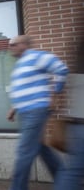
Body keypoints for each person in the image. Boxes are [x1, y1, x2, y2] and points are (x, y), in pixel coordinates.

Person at [6, 35, 68, 190]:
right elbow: (22, 88)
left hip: (36, 110)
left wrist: (55, 94)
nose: (10, 47)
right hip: (25, 112)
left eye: (14, 44)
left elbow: (61, 69)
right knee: (40, 148)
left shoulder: (37, 56)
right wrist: (14, 108)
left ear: (24, 45)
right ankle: (65, 180)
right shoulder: (20, 64)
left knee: (24, 151)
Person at [54, 33, 84, 190]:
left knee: (72, 172)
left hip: (78, 121)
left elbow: (62, 72)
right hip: (80, 122)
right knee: (72, 172)